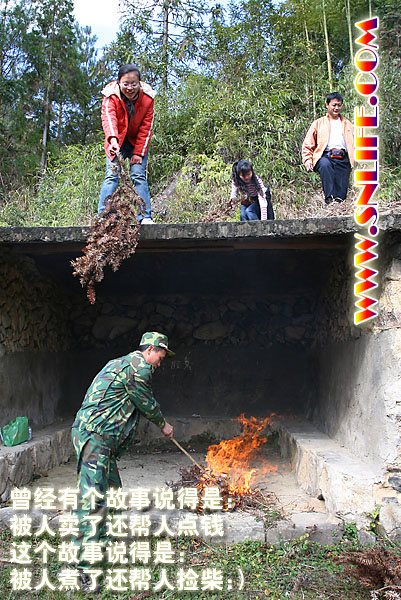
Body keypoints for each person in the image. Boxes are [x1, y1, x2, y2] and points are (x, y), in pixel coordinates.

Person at [70, 332, 174, 591]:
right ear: (150, 350)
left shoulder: (121, 362)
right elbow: (146, 403)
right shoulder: (139, 368)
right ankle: (84, 573)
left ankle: (102, 549)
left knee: (112, 492)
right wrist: (163, 424)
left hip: (101, 442)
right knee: (93, 503)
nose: (159, 364)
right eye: (159, 357)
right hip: (95, 439)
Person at [98, 64, 156, 223]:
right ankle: (104, 216)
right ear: (118, 83)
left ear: (139, 83)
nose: (130, 87)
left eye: (133, 84)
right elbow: (109, 120)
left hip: (138, 141)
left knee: (138, 174)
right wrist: (113, 140)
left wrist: (138, 153)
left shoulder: (147, 98)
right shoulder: (111, 96)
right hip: (116, 140)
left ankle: (145, 216)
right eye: (125, 84)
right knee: (112, 175)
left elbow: (146, 127)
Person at [302, 92, 354, 205]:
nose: (336, 108)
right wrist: (307, 160)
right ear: (327, 105)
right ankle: (329, 201)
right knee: (325, 166)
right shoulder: (318, 123)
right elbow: (308, 144)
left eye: (339, 105)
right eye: (334, 105)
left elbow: (356, 144)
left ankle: (339, 207)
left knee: (341, 192)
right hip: (325, 156)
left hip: (343, 157)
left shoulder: (348, 124)